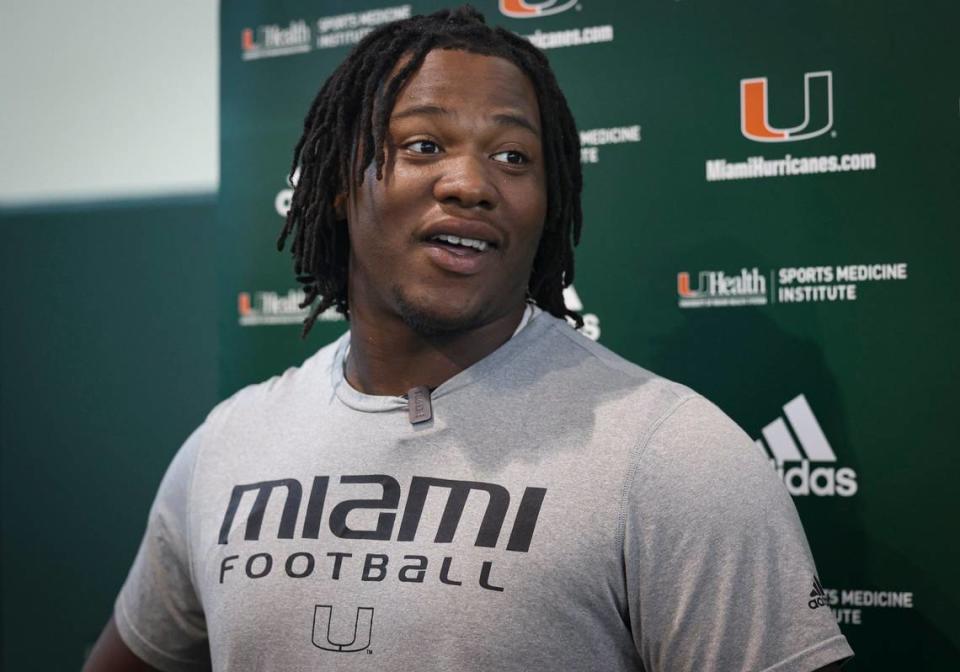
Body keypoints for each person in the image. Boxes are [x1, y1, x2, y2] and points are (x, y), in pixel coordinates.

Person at [84, 6, 853, 671]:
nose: (471, 182)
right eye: (423, 146)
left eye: (513, 157)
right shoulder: (231, 443)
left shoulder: (669, 454)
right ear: (335, 186)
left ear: (549, 206)